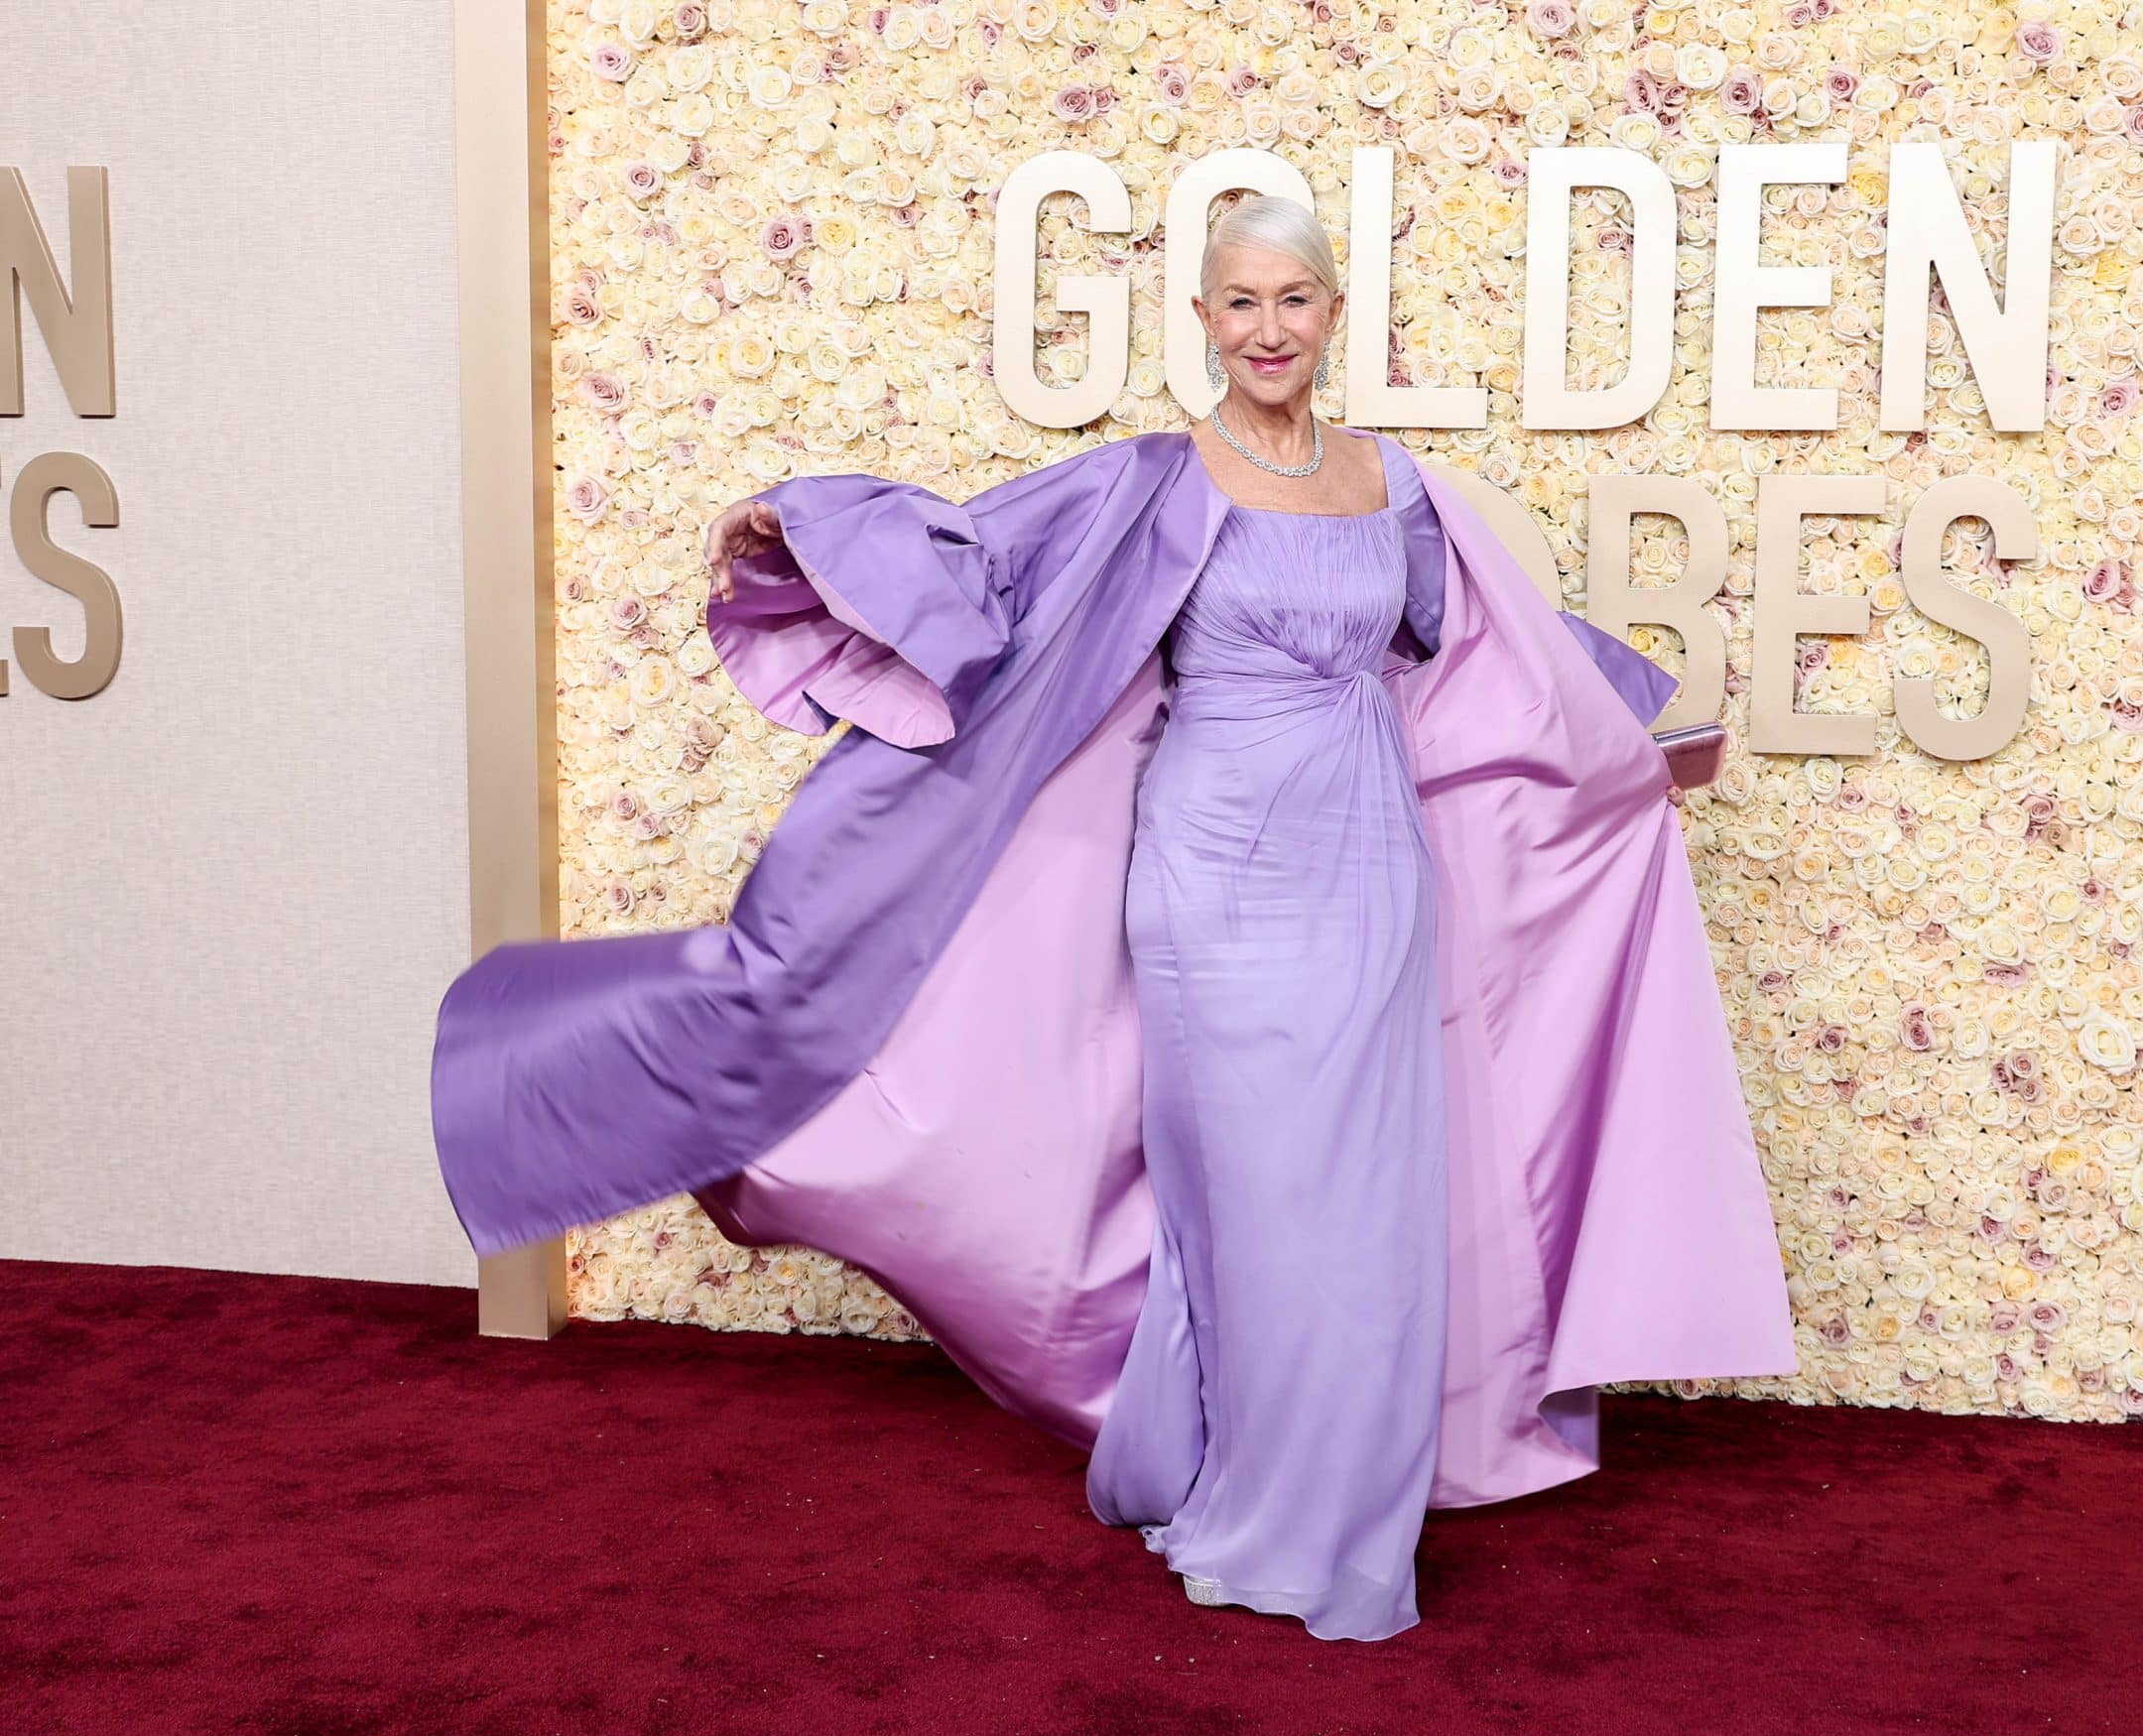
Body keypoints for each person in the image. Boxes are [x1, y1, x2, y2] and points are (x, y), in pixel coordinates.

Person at [433, 196, 1796, 1643]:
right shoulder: (1153, 483)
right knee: (1253, 1196)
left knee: (1366, 1196)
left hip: (1372, 871)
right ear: (1203, 321)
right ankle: (1249, 1485)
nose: (1268, 327)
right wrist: (810, 536)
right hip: (1210, 880)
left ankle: (1340, 1515)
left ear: (1334, 315)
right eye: (1240, 302)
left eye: (1294, 299)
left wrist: (1622, 746)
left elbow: (1484, 653)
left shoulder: (1397, 486)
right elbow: (986, 572)